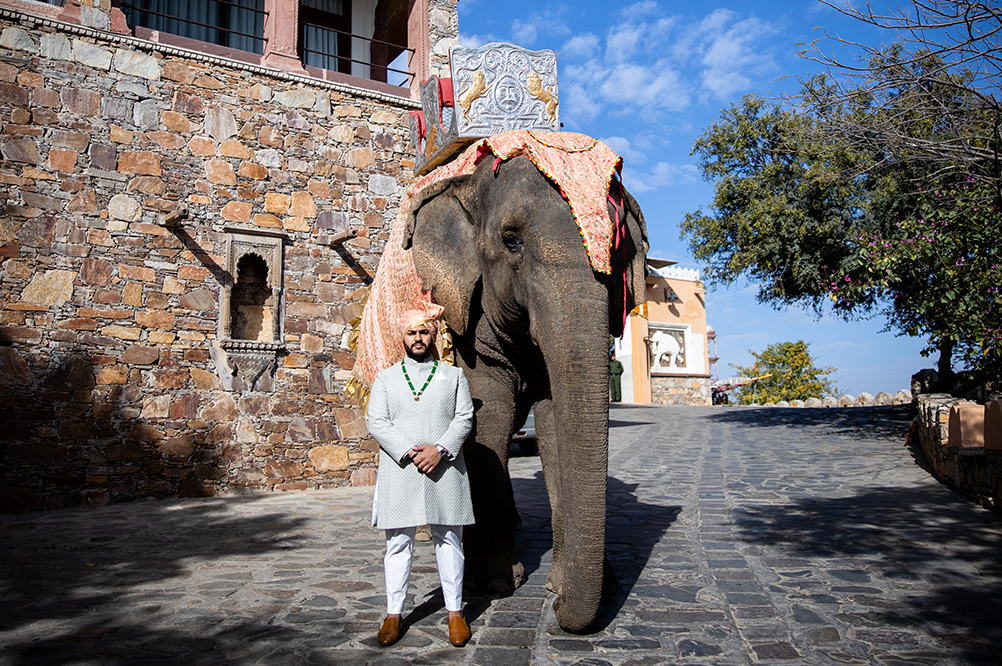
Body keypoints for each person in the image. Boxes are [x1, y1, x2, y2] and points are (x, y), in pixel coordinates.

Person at [366, 309, 476, 648]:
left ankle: (455, 612)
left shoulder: (453, 375)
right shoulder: (386, 379)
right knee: (398, 543)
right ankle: (393, 613)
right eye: (412, 333)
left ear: (433, 337)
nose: (418, 338)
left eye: (424, 333)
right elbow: (377, 422)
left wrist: (439, 450)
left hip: (444, 469)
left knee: (449, 540)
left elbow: (464, 418)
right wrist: (413, 453)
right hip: (402, 470)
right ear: (403, 337)